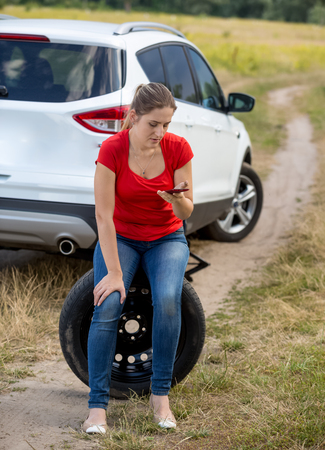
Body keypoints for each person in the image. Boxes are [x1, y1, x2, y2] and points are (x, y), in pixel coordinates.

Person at [82, 82, 194, 434]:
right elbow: (103, 216)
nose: (160, 133)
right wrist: (114, 273)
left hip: (166, 238)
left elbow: (188, 209)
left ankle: (160, 394)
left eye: (166, 125)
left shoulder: (178, 149)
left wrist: (174, 199)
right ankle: (97, 406)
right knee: (110, 303)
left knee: (167, 300)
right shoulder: (112, 149)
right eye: (153, 125)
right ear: (133, 117)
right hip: (122, 237)